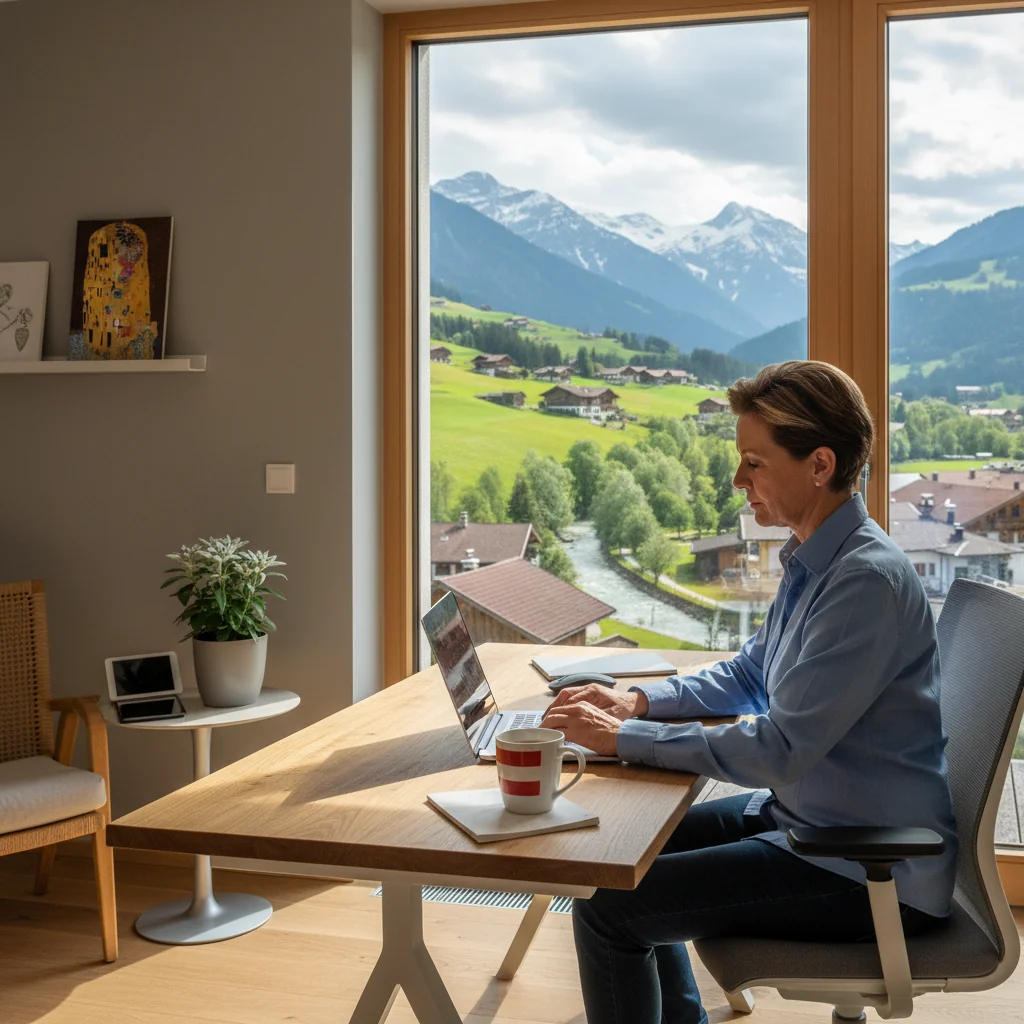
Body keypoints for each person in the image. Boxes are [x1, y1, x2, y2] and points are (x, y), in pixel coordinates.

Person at [542, 360, 957, 1024]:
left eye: (755, 463)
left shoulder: (863, 583)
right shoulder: (818, 557)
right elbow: (747, 675)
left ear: (820, 465)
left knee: (609, 908)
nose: (739, 480)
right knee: (620, 856)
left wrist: (623, 740)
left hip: (866, 869)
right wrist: (637, 704)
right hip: (810, 825)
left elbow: (779, 749)